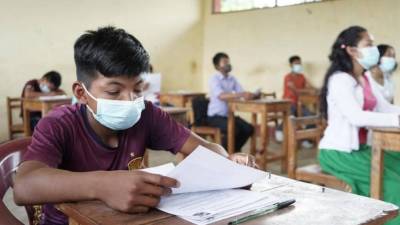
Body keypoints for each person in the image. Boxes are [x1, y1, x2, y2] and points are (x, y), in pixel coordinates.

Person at [13, 27, 256, 225]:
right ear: (82, 93)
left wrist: (229, 164)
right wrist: (102, 185)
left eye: (138, 89)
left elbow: (206, 148)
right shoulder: (59, 124)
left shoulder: (146, 115)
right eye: (114, 91)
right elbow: (25, 186)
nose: (129, 100)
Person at [318, 26, 400, 225]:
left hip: (364, 148)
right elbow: (356, 117)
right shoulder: (340, 80)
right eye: (369, 44)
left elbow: (385, 108)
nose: (374, 49)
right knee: (394, 186)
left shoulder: (364, 79)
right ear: (352, 50)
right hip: (339, 152)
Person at [207, 52, 255, 152]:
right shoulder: (214, 78)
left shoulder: (232, 78)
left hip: (229, 116)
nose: (228, 64)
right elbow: (221, 96)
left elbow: (241, 93)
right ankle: (225, 154)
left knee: (249, 128)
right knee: (234, 129)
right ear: (217, 66)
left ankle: (232, 151)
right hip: (215, 117)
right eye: (224, 62)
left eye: (228, 61)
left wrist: (250, 95)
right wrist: (241, 94)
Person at [276, 56, 315, 147]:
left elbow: (309, 86)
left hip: (300, 103)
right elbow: (295, 90)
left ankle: (306, 139)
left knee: (312, 116)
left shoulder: (302, 76)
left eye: (299, 63)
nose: (299, 65)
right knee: (291, 114)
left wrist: (317, 89)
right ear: (291, 65)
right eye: (296, 63)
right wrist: (308, 91)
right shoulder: (288, 77)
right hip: (289, 103)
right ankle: (279, 129)